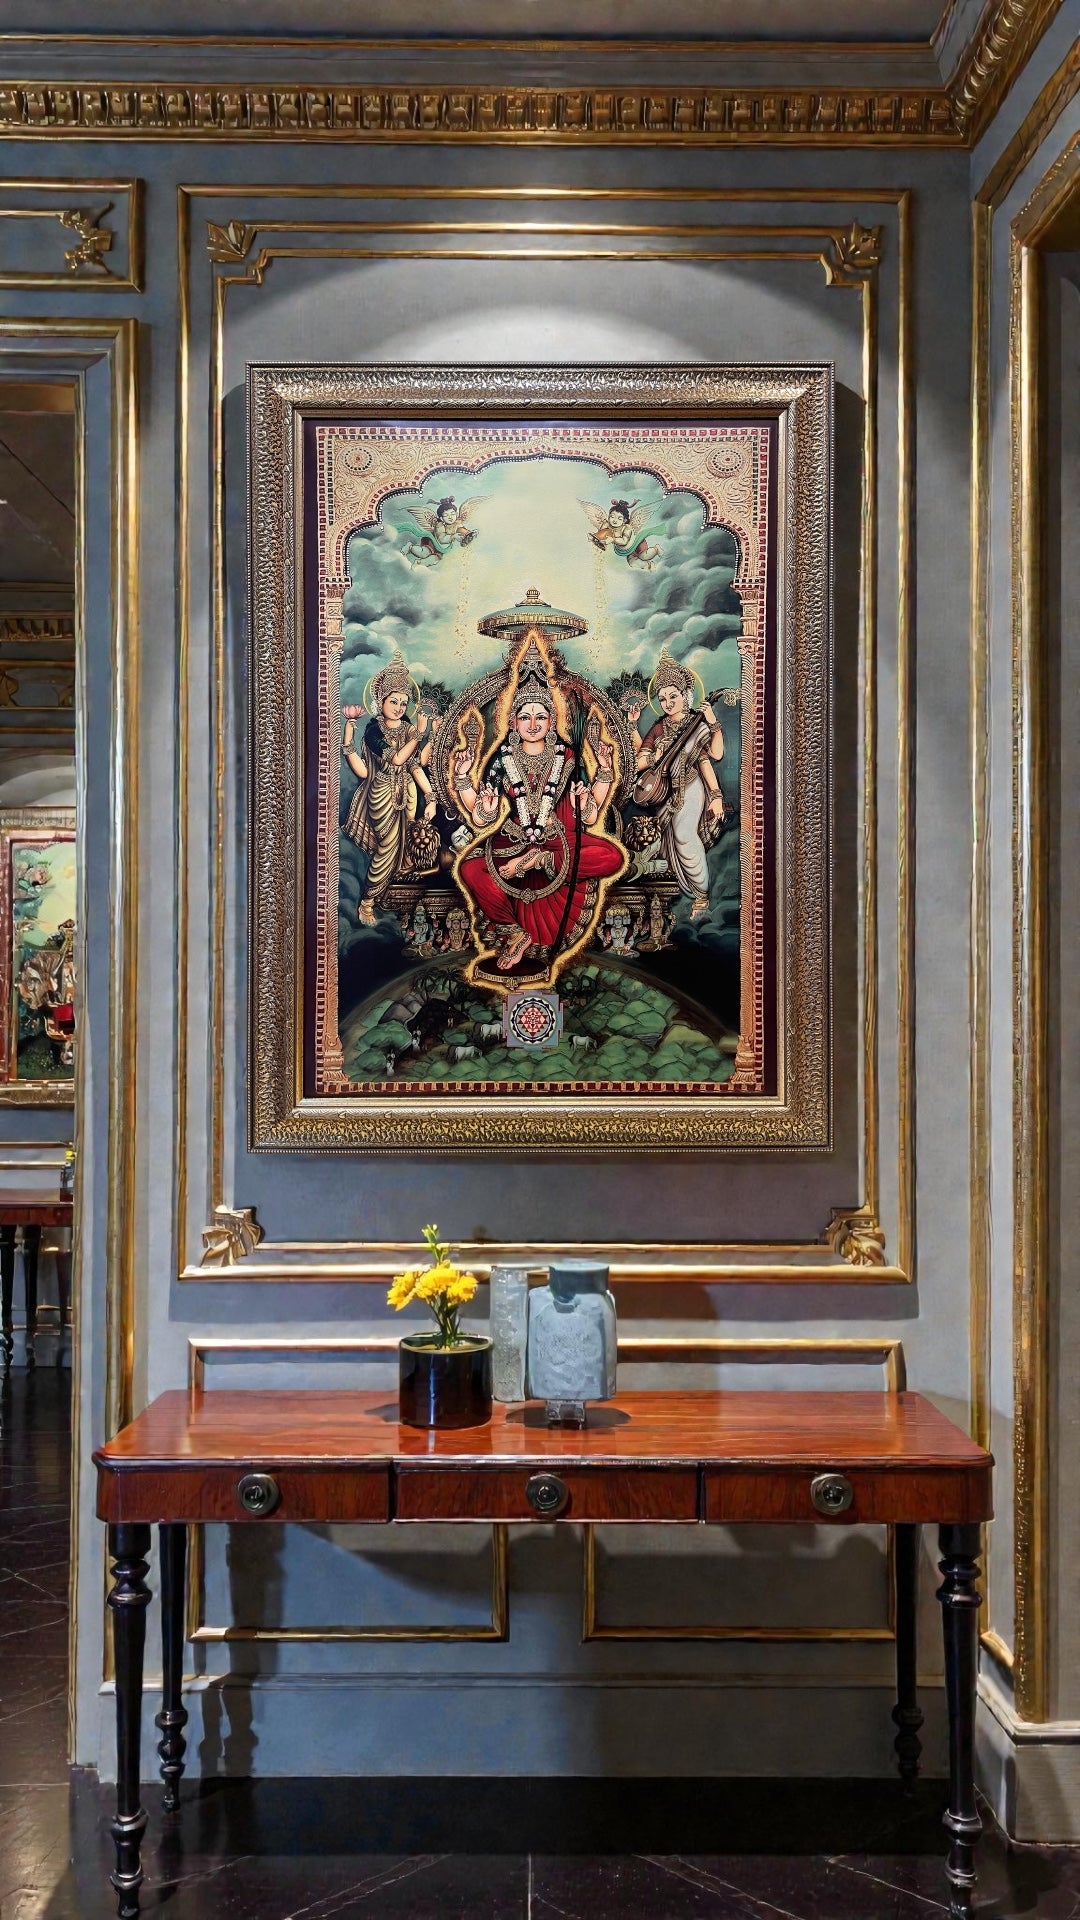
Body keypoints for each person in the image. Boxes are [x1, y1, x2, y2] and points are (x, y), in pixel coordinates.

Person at [451, 648, 625, 977]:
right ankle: (513, 932)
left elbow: (589, 817)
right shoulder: (502, 757)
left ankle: (541, 860)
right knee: (470, 869)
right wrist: (465, 782)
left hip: (557, 842)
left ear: (551, 721)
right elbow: (480, 818)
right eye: (525, 717)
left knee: (612, 856)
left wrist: (603, 772)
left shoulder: (568, 756)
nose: (533, 725)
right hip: (512, 840)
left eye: (541, 717)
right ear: (513, 722)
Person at [625, 647, 725, 919]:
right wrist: (635, 728)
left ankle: (702, 896)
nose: (668, 703)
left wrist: (716, 795)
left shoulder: (697, 724)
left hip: (691, 786)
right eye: (662, 698)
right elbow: (641, 761)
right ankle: (676, 901)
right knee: (665, 843)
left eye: (673, 696)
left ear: (685, 695)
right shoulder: (658, 726)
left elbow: (712, 757)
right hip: (664, 791)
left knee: (684, 835)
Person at [341, 654, 437, 925]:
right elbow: (390, 762)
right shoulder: (374, 731)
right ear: (380, 700)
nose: (398, 707)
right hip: (381, 793)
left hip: (408, 793)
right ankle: (367, 901)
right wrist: (348, 744)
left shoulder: (408, 729)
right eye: (393, 701)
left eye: (403, 703)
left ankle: (389, 896)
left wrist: (430, 797)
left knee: (405, 847)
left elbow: (414, 766)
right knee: (387, 846)